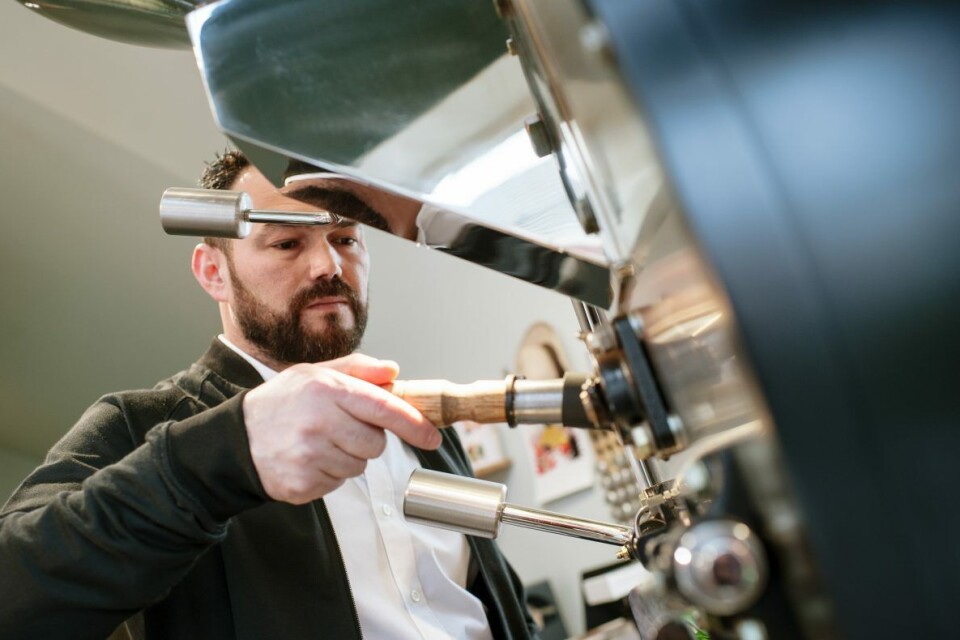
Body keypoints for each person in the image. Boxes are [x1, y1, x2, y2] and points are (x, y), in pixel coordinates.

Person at [0, 150, 536, 640]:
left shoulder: (423, 427)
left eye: (346, 238)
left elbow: (492, 605)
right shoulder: (136, 423)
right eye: (286, 242)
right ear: (214, 273)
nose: (328, 266)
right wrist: (233, 449)